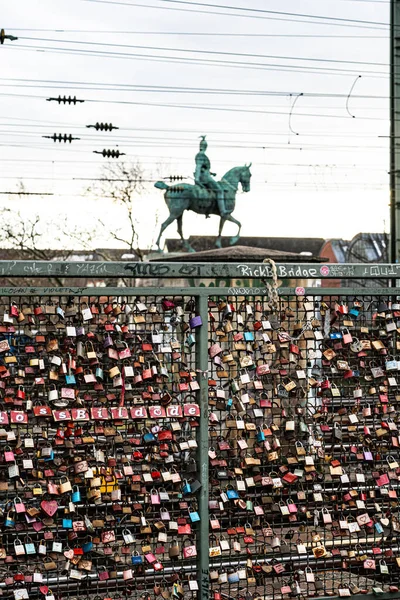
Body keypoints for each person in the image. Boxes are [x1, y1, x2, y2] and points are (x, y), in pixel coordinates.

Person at [194, 136, 228, 217]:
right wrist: (197, 179)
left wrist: (211, 173)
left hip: (205, 175)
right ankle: (223, 211)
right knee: (220, 190)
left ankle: (209, 208)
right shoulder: (201, 155)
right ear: (205, 147)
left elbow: (203, 167)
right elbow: (198, 167)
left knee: (213, 191)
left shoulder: (200, 155)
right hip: (205, 178)